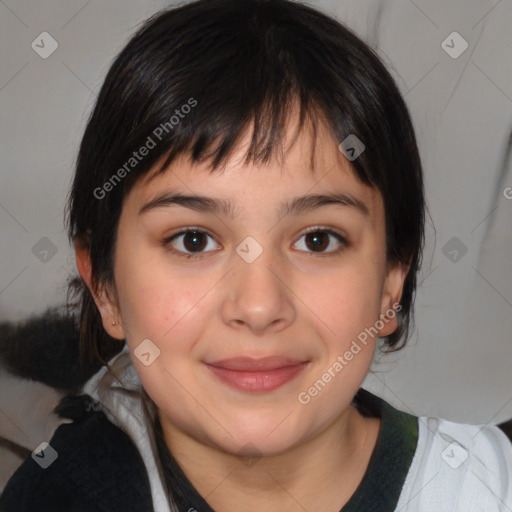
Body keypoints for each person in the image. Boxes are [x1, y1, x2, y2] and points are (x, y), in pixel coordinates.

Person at [1, 0, 511, 510]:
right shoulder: (55, 495)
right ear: (105, 287)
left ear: (391, 280)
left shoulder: (488, 487)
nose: (260, 305)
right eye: (193, 240)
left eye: (317, 239)